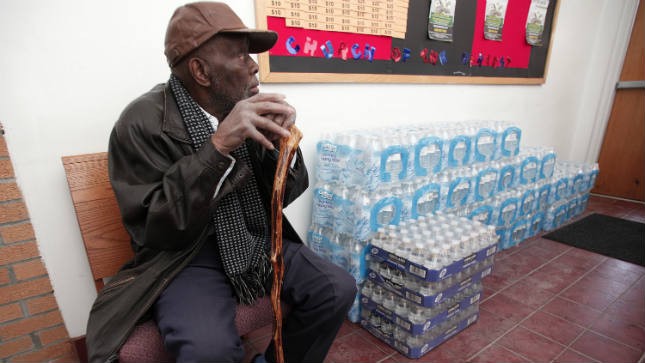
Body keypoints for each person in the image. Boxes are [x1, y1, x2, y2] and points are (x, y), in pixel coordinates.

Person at [85, 2, 357, 363]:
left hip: (252, 237)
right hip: (184, 257)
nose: (254, 65)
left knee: (336, 288)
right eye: (242, 56)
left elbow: (285, 196)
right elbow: (156, 229)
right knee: (207, 350)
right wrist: (218, 146)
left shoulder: (241, 104)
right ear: (200, 70)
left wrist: (283, 146)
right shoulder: (140, 122)